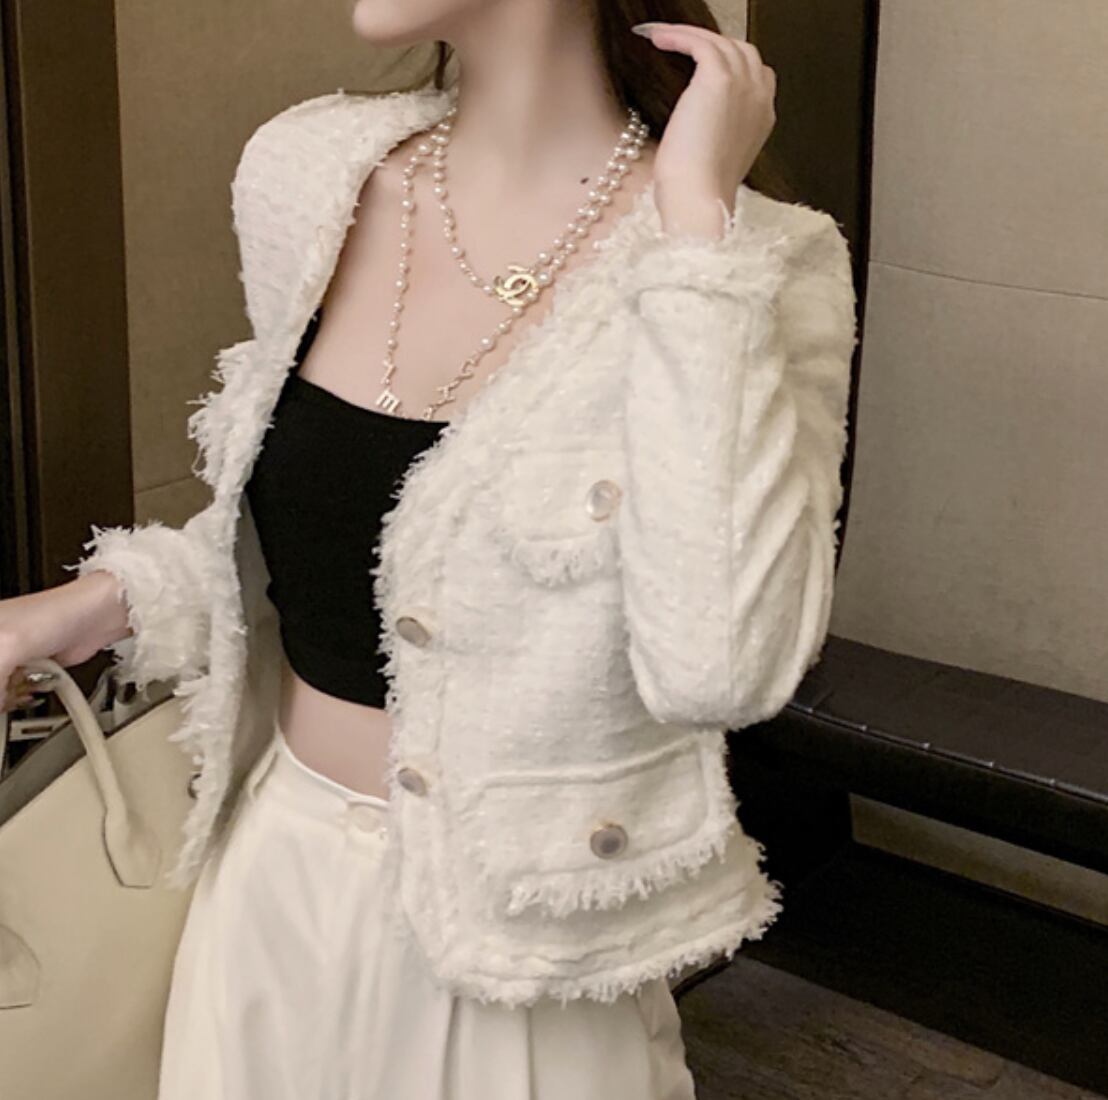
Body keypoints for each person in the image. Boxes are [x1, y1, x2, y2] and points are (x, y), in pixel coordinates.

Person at [0, 1, 858, 1097]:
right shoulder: (308, 171)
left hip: (523, 963)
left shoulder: (757, 260)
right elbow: (320, 538)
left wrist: (695, 235)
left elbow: (721, 665)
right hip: (273, 890)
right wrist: (97, 599)